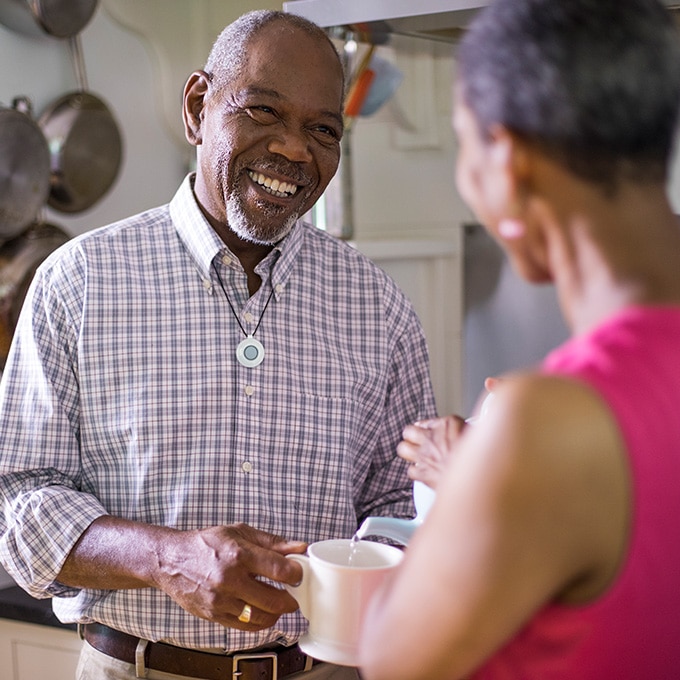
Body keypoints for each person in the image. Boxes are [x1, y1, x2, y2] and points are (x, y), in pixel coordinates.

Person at [0, 10, 436, 680]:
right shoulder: (78, 283)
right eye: (263, 111)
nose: (294, 150)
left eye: (323, 129)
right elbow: (20, 503)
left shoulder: (378, 309)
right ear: (200, 107)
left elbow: (400, 505)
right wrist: (166, 558)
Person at [358, 1, 680, 678]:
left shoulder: (544, 427)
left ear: (510, 163)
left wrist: (473, 484)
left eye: (466, 145)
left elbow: (391, 659)